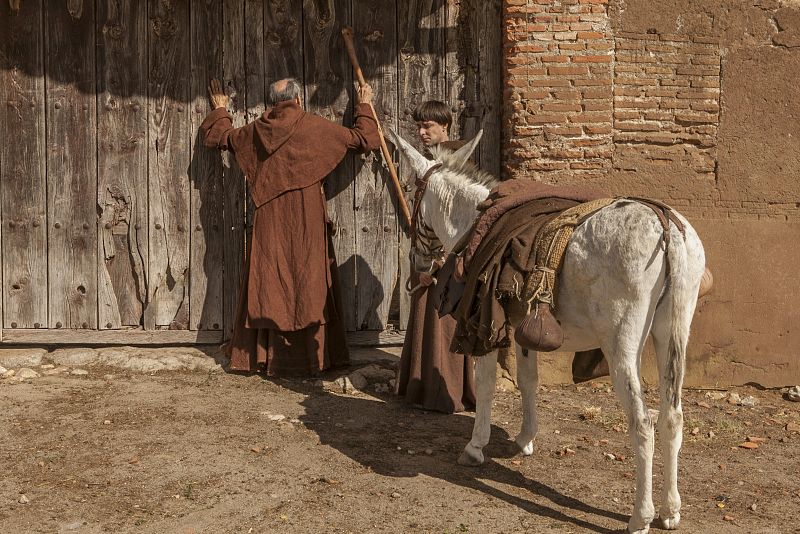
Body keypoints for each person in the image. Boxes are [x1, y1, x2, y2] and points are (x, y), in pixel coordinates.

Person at [200, 78, 380, 376]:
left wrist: (220, 110)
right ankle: (313, 357)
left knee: (271, 279)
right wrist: (363, 105)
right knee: (311, 280)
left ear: (272, 102)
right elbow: (366, 140)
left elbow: (221, 138)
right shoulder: (314, 126)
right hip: (307, 216)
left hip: (270, 217)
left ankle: (265, 356)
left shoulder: (257, 130)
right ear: (298, 100)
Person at [394, 100, 477, 413]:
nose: (421, 132)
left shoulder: (457, 162)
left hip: (446, 260)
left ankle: (446, 393)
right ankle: (421, 387)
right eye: (419, 126)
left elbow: (458, 218)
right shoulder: (429, 162)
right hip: (425, 255)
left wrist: (440, 261)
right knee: (425, 320)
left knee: (444, 323)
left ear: (445, 126)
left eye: (428, 126)